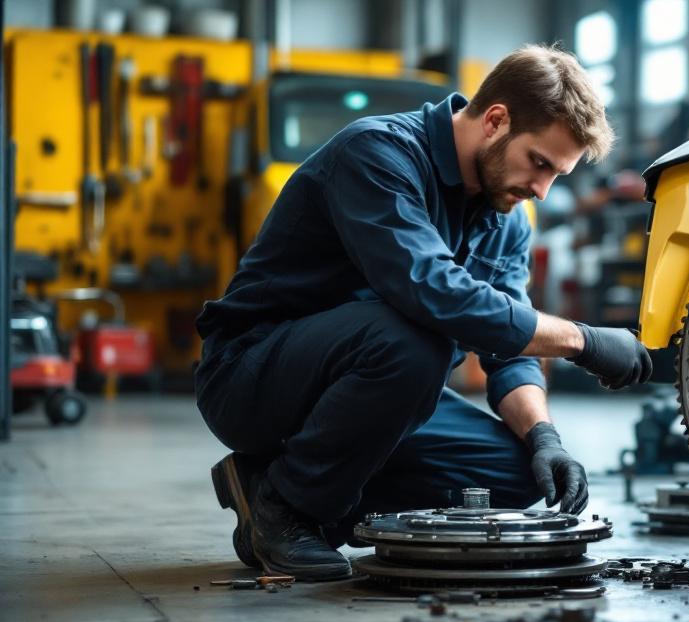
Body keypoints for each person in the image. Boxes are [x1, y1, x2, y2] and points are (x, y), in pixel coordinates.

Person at [194, 45, 652, 581]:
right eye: (539, 163)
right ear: (496, 120)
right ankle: (287, 511)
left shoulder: (507, 220)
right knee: (414, 341)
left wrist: (544, 437)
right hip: (252, 377)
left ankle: (270, 485)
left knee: (513, 475)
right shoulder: (376, 155)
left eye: (558, 175)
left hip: (370, 388)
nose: (541, 190)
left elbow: (507, 344)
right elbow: (437, 295)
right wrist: (583, 341)